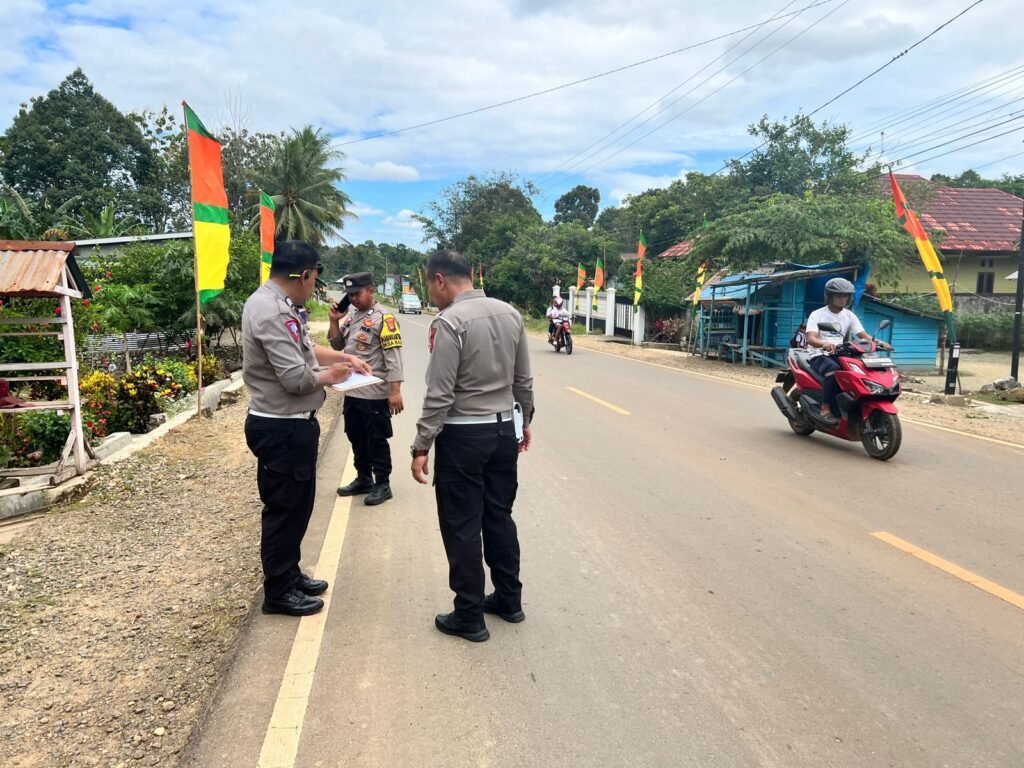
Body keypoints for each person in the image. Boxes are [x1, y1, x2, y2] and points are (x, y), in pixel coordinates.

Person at [242, 241, 373, 617]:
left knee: (298, 507)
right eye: (315, 279)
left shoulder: (280, 306)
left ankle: (290, 573)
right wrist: (333, 377)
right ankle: (279, 592)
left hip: (293, 426)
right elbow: (296, 378)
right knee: (284, 510)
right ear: (303, 275)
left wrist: (343, 356)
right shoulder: (269, 311)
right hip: (281, 427)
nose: (314, 287)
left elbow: (305, 350)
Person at [411, 249, 535, 642]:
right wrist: (525, 421)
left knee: (462, 524)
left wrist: (421, 444)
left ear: (440, 280)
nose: (431, 295)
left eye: (429, 286)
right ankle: (509, 600)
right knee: (498, 515)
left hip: (464, 436)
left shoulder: (450, 322)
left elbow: (439, 393)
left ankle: (469, 614)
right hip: (502, 434)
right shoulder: (510, 313)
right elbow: (523, 380)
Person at [327, 272, 404, 506]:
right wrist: (334, 321)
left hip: (374, 393)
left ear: (371, 290)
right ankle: (363, 478)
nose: (352, 299)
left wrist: (395, 391)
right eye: (349, 295)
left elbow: (394, 358)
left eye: (357, 294)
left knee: (376, 439)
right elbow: (338, 346)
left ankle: (383, 483)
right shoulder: (352, 316)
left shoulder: (385, 319)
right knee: (356, 437)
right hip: (352, 392)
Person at [805, 277, 891, 424]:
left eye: (845, 296)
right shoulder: (817, 314)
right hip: (819, 354)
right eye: (838, 295)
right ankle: (825, 407)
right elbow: (811, 338)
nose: (842, 299)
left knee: (859, 370)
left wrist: (879, 342)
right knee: (833, 370)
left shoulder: (849, 315)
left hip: (840, 353)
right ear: (829, 296)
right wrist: (824, 343)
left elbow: (863, 335)